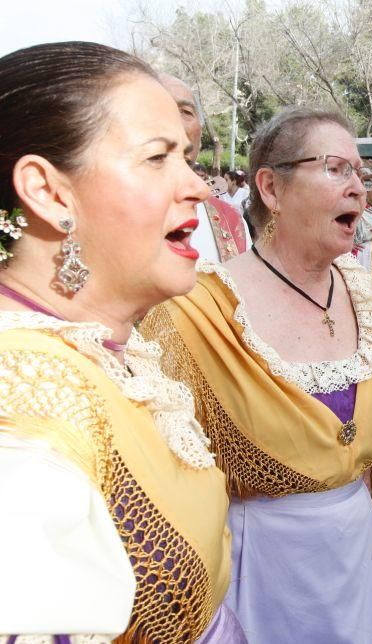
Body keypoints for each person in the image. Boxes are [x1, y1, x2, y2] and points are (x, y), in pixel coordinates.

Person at [0, 42, 241, 641]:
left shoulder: (103, 349)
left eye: (186, 156)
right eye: (158, 158)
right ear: (50, 194)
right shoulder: (26, 403)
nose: (201, 188)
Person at [140, 107, 372, 641]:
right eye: (336, 168)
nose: (359, 188)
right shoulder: (194, 312)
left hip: (358, 555)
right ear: (271, 188)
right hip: (258, 568)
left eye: (360, 172)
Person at [159, 74, 250, 262]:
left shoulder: (230, 220)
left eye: (185, 111)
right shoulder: (99, 214)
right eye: (158, 107)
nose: (174, 121)